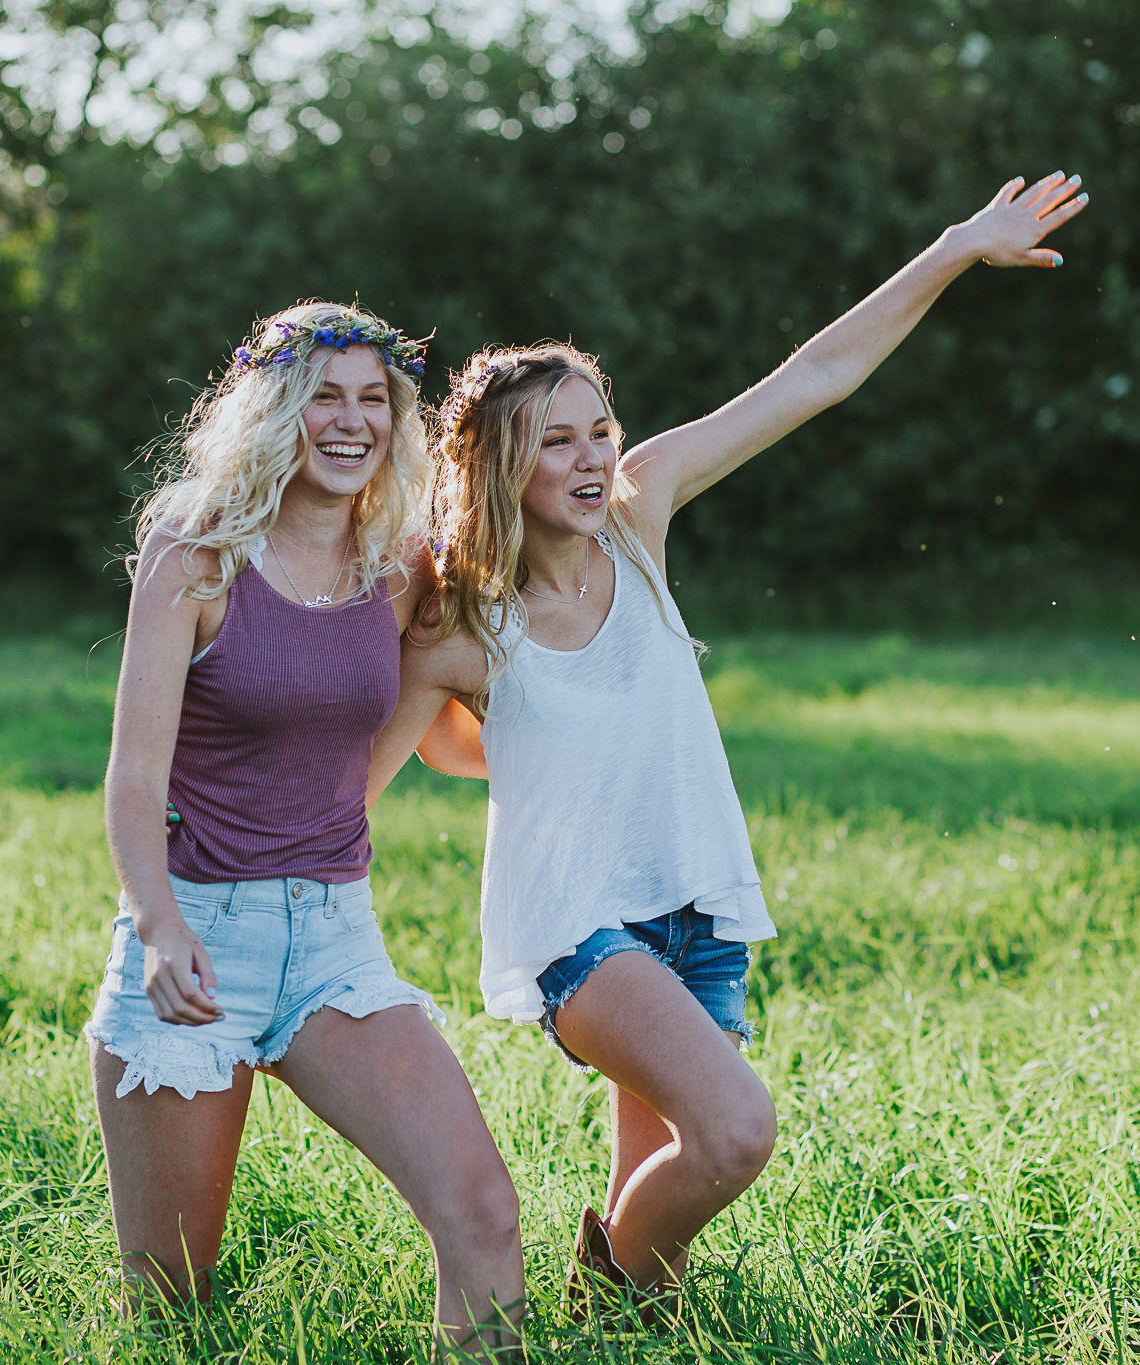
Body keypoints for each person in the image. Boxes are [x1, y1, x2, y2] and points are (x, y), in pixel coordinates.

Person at [373, 171, 1089, 1319]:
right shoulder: (462, 623)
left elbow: (815, 376)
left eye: (598, 428)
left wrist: (954, 246)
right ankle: (592, 1292)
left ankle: (615, 1319)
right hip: (577, 926)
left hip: (695, 906)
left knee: (666, 1226)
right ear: (497, 462)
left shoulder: (640, 521)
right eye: (554, 442)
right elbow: (367, 781)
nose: (592, 456)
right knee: (734, 1131)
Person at [86, 302, 525, 1356]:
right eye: (322, 395)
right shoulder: (195, 559)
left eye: (373, 399)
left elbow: (449, 733)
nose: (350, 419)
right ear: (272, 411)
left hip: (334, 945)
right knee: (173, 1307)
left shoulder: (402, 566)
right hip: (198, 942)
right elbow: (133, 776)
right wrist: (155, 925)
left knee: (483, 1214)